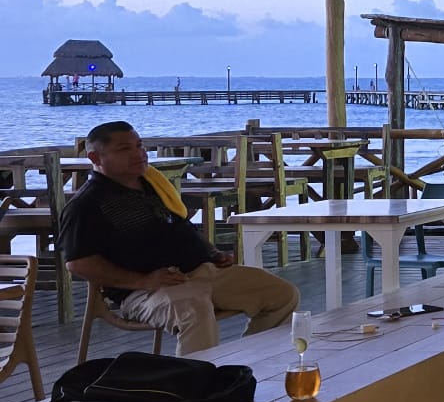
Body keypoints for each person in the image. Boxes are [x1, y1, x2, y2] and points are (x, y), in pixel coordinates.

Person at [58, 121, 299, 355]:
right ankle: (199, 388)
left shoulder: (153, 185)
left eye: (139, 146)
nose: (138, 154)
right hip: (146, 290)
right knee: (193, 310)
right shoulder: (87, 204)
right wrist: (143, 281)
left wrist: (213, 253)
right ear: (96, 159)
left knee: (281, 294)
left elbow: (181, 226)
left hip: (204, 272)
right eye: (124, 149)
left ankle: (254, 363)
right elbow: (79, 263)